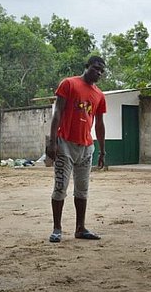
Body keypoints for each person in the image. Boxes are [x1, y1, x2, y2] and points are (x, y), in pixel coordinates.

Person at [46, 56, 107, 243]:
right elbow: (57, 113)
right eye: (96, 68)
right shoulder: (68, 84)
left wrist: (102, 151)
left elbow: (99, 125)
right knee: (60, 188)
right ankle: (57, 228)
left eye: (101, 71)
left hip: (86, 147)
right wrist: (53, 141)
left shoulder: (100, 95)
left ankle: (80, 228)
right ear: (87, 66)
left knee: (82, 190)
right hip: (65, 144)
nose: (98, 72)